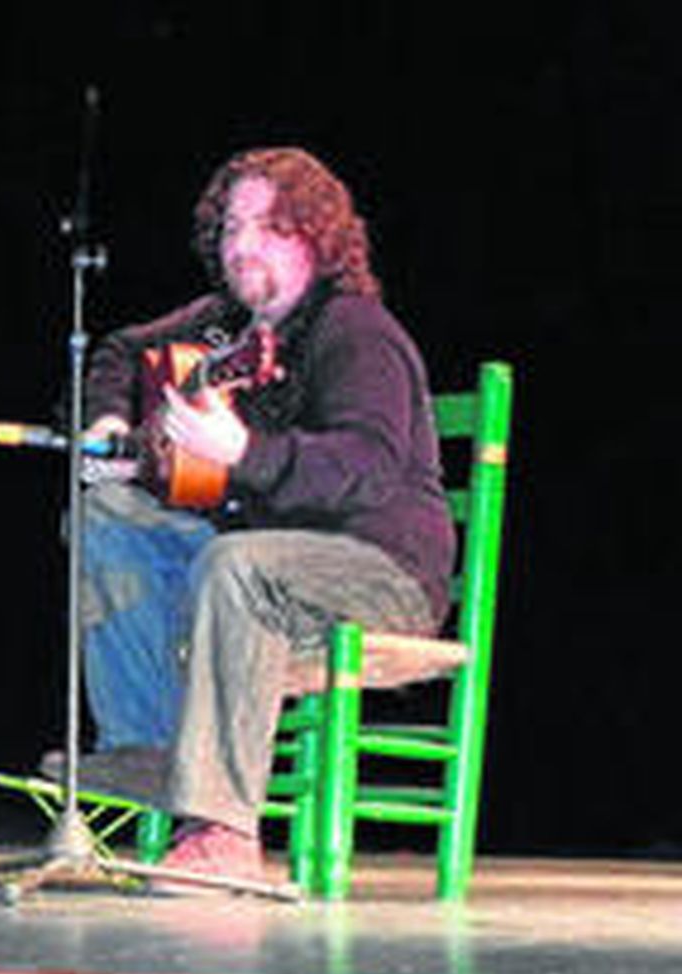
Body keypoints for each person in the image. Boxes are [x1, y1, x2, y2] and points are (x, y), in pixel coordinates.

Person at [68, 147, 454, 884]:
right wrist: (111, 423)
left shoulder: (355, 331)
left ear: (318, 237)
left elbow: (367, 466)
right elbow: (122, 348)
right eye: (231, 227)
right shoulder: (225, 327)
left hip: (380, 574)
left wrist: (243, 451)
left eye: (269, 226)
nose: (242, 244)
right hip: (268, 566)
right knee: (111, 513)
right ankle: (148, 750)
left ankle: (224, 832)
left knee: (236, 563)